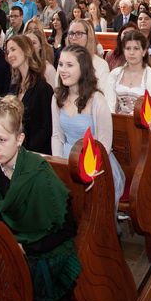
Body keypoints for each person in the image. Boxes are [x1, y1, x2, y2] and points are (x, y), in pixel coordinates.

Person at [0, 97, 81, 301]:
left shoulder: (39, 173)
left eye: (2, 140)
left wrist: (26, 248)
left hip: (46, 247)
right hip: (16, 240)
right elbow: (1, 212)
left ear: (19, 139)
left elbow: (66, 230)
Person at [52, 46, 125, 202]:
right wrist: (59, 166)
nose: (63, 70)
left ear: (83, 68)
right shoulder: (57, 97)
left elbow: (104, 144)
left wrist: (88, 170)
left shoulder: (97, 100)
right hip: (67, 159)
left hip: (94, 163)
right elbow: (57, 136)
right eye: (61, 64)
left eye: (69, 65)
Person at [4, 35, 53, 155]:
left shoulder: (43, 88)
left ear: (26, 49)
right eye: (8, 52)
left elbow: (47, 128)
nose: (9, 55)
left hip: (36, 154)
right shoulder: (14, 87)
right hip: (18, 151)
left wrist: (27, 152)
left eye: (13, 49)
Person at [62, 19, 115, 112]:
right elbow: (60, 92)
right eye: (71, 33)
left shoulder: (100, 65)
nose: (74, 37)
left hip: (91, 111)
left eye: (79, 33)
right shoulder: (63, 63)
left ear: (88, 37)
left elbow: (102, 97)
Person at [24, 21, 57, 87]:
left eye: (34, 43)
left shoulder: (49, 69)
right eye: (28, 43)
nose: (30, 46)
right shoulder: (22, 66)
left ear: (41, 46)